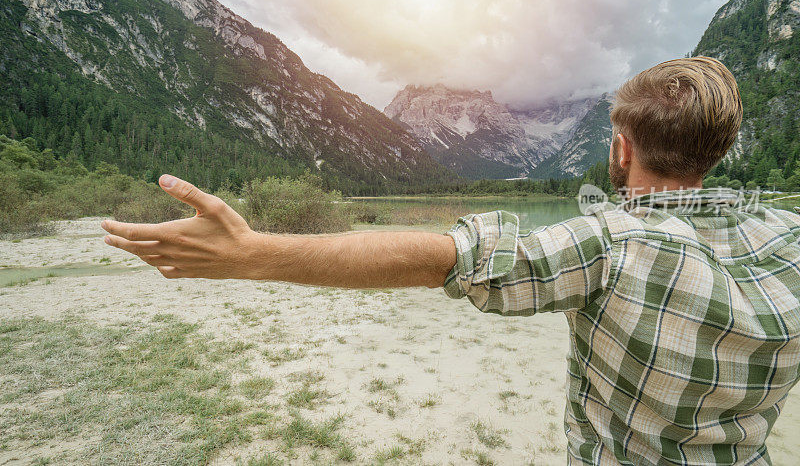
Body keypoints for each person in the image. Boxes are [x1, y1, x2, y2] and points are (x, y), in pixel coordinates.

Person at [101, 57, 800, 466]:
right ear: (719, 147)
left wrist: (252, 253)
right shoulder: (790, 235)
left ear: (621, 148)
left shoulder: (611, 241)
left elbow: (443, 258)